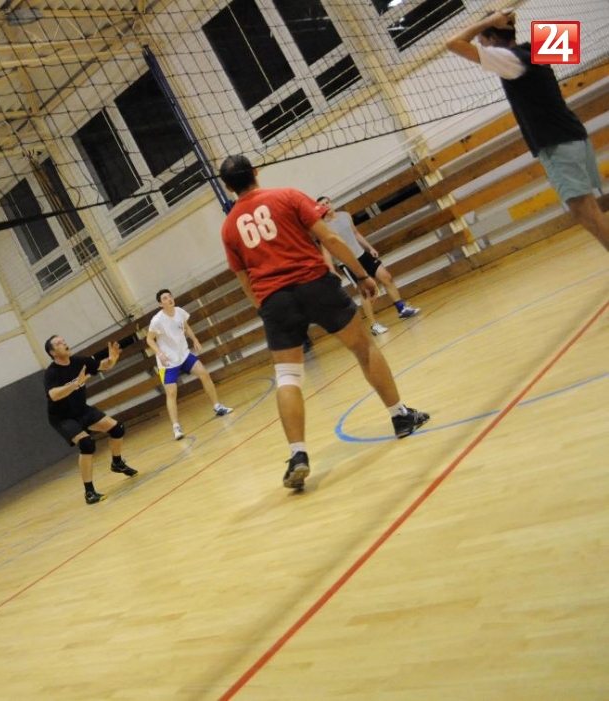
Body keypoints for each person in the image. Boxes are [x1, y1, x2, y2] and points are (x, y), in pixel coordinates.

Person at [218, 155, 430, 492]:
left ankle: (297, 455)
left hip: (274, 299)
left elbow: (244, 279)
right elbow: (330, 239)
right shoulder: (288, 196)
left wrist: (264, 306)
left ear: (228, 187)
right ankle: (400, 415)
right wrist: (361, 275)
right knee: (363, 348)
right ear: (255, 172)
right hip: (315, 284)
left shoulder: (229, 227)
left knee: (288, 376)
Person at [445, 10, 609, 252]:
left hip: (558, 143)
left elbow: (452, 43)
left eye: (482, 39)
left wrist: (488, 21)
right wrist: (504, 22)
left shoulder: (509, 59)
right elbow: (570, 38)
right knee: (592, 209)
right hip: (575, 136)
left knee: (586, 213)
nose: (480, 43)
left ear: (492, 38)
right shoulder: (533, 49)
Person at [43, 336, 138, 504]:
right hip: (63, 417)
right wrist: (74, 384)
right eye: (58, 343)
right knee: (87, 444)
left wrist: (112, 359)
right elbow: (54, 395)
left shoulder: (79, 361)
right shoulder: (52, 372)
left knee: (117, 429)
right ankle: (89, 492)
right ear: (53, 353)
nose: (64, 343)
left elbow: (104, 365)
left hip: (82, 411)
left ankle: (117, 463)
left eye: (64, 341)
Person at [315, 195, 421, 336]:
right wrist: (331, 269)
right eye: (322, 205)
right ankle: (373, 325)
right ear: (319, 209)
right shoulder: (322, 227)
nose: (326, 206)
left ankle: (402, 309)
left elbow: (356, 233)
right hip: (348, 262)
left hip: (362, 255)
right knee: (366, 293)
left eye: (327, 202)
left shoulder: (345, 215)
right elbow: (326, 250)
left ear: (331, 203)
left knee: (387, 277)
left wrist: (370, 248)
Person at [146, 288, 234, 440]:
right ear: (160, 304)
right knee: (171, 393)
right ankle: (176, 428)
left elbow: (186, 326)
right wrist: (160, 353)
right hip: (168, 362)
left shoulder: (180, 312)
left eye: (170, 296)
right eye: (165, 298)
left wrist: (194, 339)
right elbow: (149, 339)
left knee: (204, 374)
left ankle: (218, 407)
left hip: (184, 355)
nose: (169, 299)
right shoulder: (157, 321)